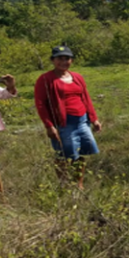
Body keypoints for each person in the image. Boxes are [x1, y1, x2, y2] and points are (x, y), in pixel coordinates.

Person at [34, 46, 102, 189]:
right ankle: (64, 185)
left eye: (67, 59)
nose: (64, 62)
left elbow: (86, 97)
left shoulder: (77, 77)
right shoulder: (46, 79)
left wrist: (94, 119)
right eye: (60, 59)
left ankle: (79, 184)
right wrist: (49, 125)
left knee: (82, 152)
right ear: (53, 60)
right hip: (64, 123)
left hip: (82, 121)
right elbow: (40, 104)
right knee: (63, 155)